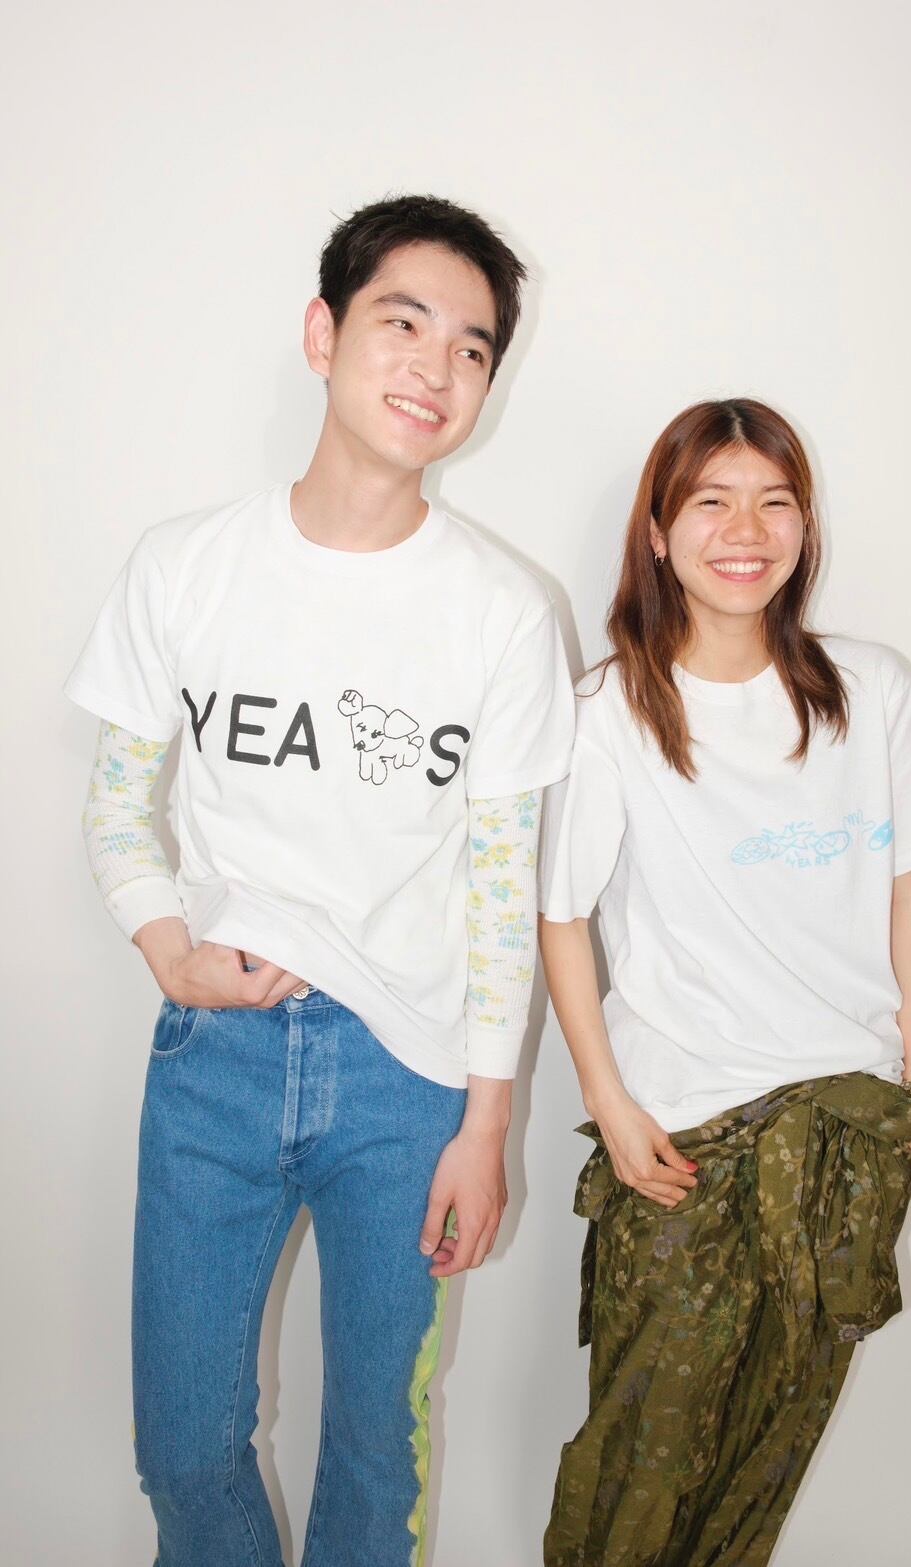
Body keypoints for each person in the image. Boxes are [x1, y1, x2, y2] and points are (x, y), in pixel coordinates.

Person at [64, 194, 574, 1567]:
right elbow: (116, 806)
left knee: (377, 1451)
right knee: (184, 1445)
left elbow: (501, 887)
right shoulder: (187, 566)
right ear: (322, 333)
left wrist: (487, 1120)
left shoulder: (502, 611)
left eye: (472, 348)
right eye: (403, 323)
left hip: (407, 1081)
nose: (435, 368)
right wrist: (167, 949)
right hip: (215, 1058)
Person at [538, 398, 911, 1566]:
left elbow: (901, 894)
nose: (746, 530)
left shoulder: (871, 690)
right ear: (657, 530)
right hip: (681, 1138)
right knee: (636, 1480)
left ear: (805, 525)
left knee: (762, 1464)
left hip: (841, 1131)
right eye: (712, 501)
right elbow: (559, 916)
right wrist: (609, 1103)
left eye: (775, 502)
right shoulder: (604, 712)